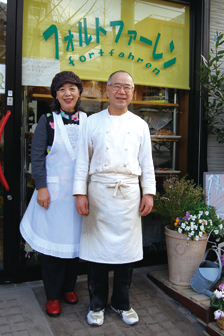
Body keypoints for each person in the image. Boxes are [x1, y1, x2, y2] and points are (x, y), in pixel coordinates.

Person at [73, 70, 156, 326]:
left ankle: (122, 303)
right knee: (97, 254)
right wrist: (80, 193)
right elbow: (82, 161)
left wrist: (149, 193)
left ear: (133, 92)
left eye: (127, 87)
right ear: (106, 90)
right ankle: (97, 305)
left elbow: (147, 164)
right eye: (116, 86)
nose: (122, 91)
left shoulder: (140, 125)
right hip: (99, 194)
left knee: (126, 255)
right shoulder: (92, 122)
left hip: (129, 195)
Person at [20, 71, 87, 317]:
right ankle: (52, 296)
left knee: (74, 246)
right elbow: (36, 157)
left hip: (78, 196)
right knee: (52, 248)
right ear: (55, 95)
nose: (67, 93)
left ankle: (69, 287)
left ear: (79, 92)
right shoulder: (46, 120)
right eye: (61, 89)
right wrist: (41, 188)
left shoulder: (88, 121)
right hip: (53, 196)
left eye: (72, 88)